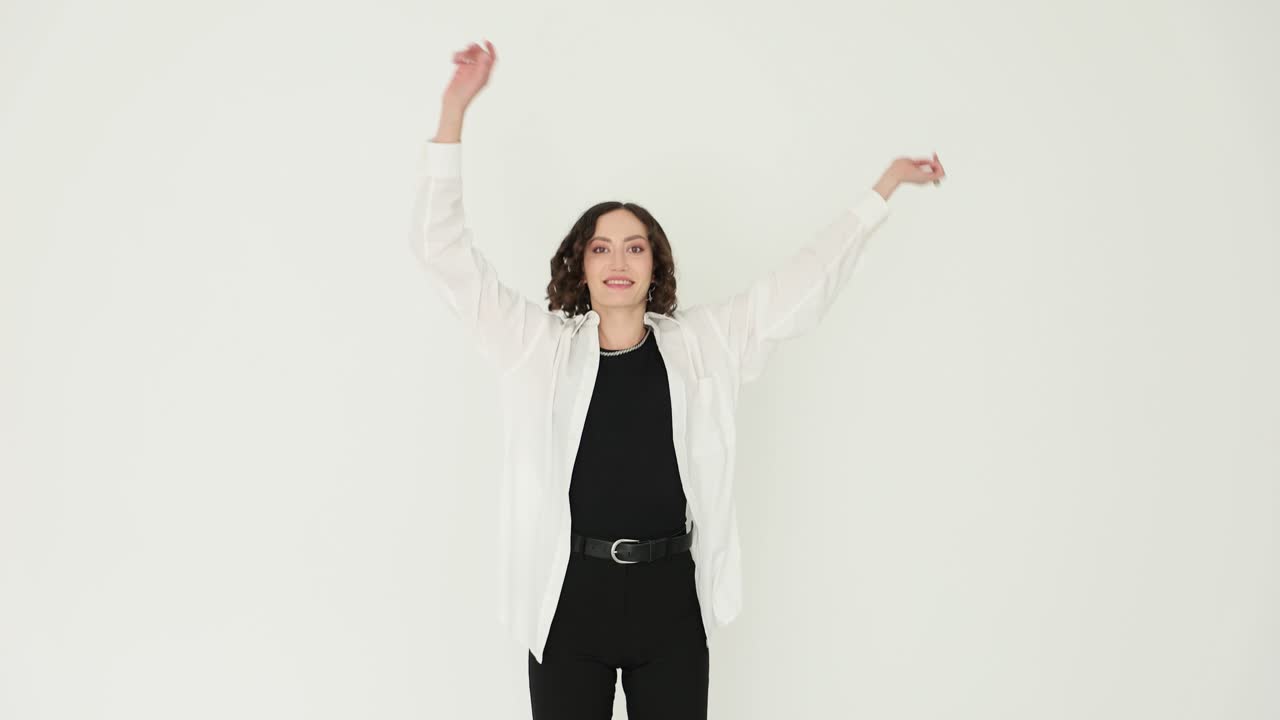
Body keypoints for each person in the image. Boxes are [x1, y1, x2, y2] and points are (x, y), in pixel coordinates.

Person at [412, 38, 946, 720]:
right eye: (601, 247)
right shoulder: (535, 348)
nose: (618, 260)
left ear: (655, 265)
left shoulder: (702, 345)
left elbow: (801, 283)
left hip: (670, 603)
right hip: (567, 601)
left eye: (635, 247)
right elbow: (443, 252)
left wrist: (884, 190)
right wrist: (454, 110)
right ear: (579, 265)